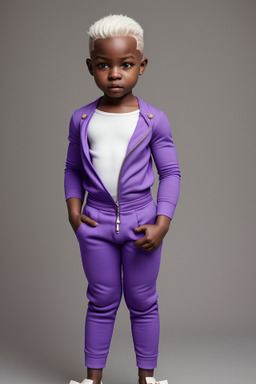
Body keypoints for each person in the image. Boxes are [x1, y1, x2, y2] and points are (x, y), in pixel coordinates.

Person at [64, 14, 181, 384]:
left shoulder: (153, 118)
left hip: (141, 223)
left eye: (125, 64)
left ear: (141, 66)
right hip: (95, 224)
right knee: (101, 302)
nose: (115, 74)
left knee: (144, 302)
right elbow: (72, 168)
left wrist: (162, 221)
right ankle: (92, 379)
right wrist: (73, 209)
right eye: (104, 65)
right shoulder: (82, 119)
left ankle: (146, 377)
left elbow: (171, 173)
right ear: (91, 67)